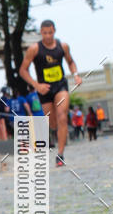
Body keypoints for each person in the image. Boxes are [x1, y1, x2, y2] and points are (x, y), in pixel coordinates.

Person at [20, 19, 82, 167]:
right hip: (44, 90)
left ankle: (60, 155)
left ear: (54, 31)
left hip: (60, 86)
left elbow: (70, 62)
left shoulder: (63, 46)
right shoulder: (34, 49)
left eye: (50, 32)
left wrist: (76, 75)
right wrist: (36, 85)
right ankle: (58, 132)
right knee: (53, 123)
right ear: (41, 33)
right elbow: (23, 70)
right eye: (45, 33)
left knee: (62, 116)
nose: (48, 36)